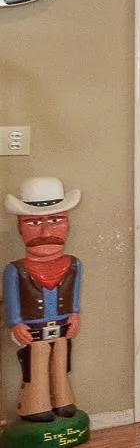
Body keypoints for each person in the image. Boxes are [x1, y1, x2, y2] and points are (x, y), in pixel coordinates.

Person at [4, 176, 82, 423]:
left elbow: (75, 294)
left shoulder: (74, 265)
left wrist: (75, 314)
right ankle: (34, 406)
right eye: (34, 222)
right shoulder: (15, 270)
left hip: (60, 325)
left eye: (56, 221)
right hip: (33, 327)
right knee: (36, 364)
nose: (46, 232)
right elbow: (12, 300)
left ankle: (62, 400)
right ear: (20, 227)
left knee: (60, 361)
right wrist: (16, 323)